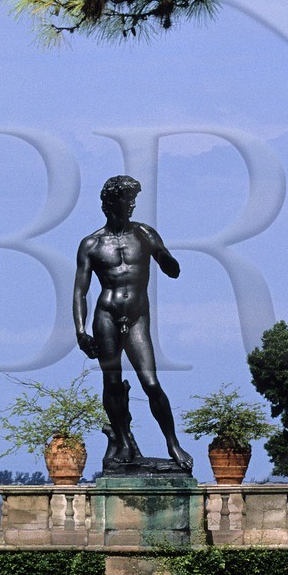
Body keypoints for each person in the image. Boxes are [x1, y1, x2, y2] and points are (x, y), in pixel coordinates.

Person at [73, 175, 193, 473]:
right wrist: (80, 330)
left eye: (134, 200)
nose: (132, 205)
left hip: (137, 316)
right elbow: (80, 291)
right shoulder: (91, 244)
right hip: (107, 316)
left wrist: (165, 257)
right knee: (112, 383)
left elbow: (173, 270)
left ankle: (172, 443)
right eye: (127, 199)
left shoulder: (145, 234)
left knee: (151, 383)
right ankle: (124, 440)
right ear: (111, 202)